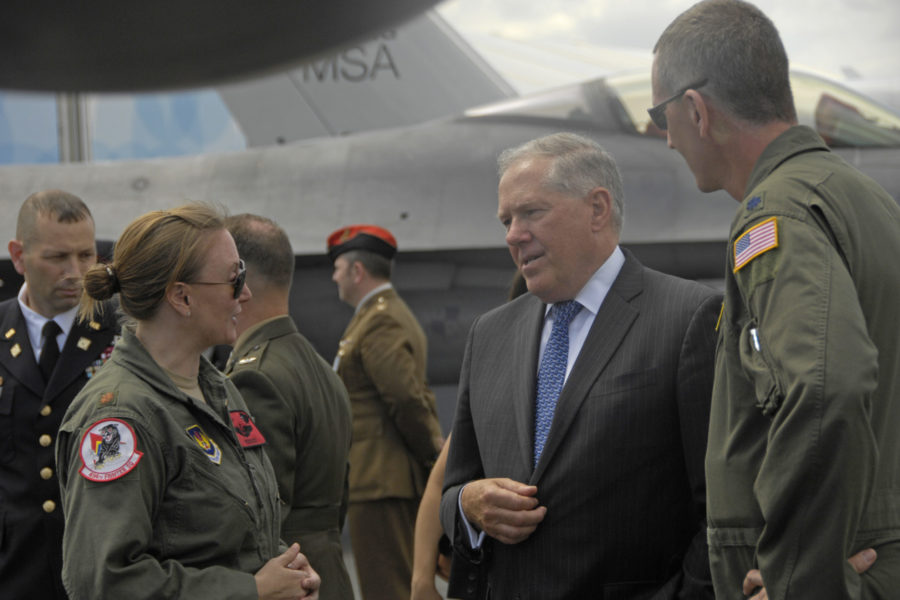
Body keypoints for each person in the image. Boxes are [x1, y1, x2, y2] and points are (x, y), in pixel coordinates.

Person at [651, 1, 900, 598]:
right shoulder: (862, 198)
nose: (666, 141)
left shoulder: (776, 213)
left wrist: (799, 576)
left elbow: (824, 385)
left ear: (695, 110)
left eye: (663, 117)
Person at [439, 132, 720, 598]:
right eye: (507, 220)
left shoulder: (688, 316)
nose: (513, 235)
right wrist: (468, 506)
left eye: (531, 212)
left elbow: (722, 508)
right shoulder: (489, 334)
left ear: (597, 209)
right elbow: (456, 487)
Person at [54, 204, 321, 599]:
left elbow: (228, 538)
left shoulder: (217, 391)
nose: (245, 294)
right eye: (234, 279)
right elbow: (103, 581)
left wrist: (288, 575)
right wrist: (251, 590)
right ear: (182, 297)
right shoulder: (119, 419)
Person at [225, 213, 354, 600]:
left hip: (289, 580)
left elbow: (260, 515)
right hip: (327, 570)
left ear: (238, 281)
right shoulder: (319, 368)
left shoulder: (255, 377)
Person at [0, 190, 118, 599]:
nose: (76, 272)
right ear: (18, 256)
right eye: (57, 258)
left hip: (102, 569)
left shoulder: (125, 332)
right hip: (15, 570)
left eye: (87, 256)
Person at [327, 224, 443, 600]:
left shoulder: (380, 319)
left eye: (339, 268)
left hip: (380, 479)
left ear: (358, 272)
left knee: (387, 588)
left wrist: (433, 458)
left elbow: (405, 398)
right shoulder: (378, 314)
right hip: (383, 477)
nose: (334, 277)